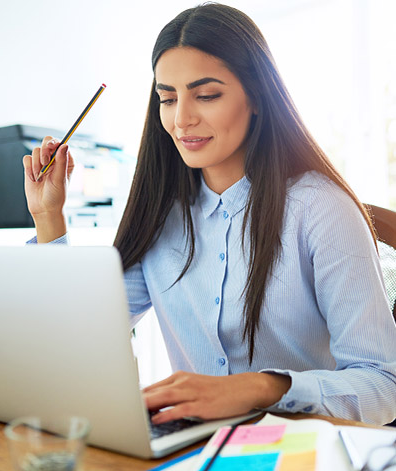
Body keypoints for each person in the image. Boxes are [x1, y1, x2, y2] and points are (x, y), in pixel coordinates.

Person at [23, 2, 396, 425]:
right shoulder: (160, 214)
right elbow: (76, 333)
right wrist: (47, 214)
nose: (181, 119)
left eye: (206, 95)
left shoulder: (321, 210)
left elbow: (384, 384)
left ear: (256, 96)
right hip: (194, 449)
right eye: (167, 98)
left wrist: (262, 388)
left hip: (303, 452)